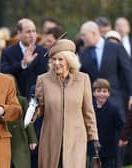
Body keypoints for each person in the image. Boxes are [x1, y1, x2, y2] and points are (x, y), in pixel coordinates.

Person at [34, 39, 99, 168]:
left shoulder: (83, 79)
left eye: (60, 59)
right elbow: (39, 110)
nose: (56, 63)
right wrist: (33, 109)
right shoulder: (43, 80)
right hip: (50, 140)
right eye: (54, 59)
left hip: (76, 140)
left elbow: (88, 112)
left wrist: (94, 138)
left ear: (69, 60)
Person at [79, 21, 132, 168]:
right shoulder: (83, 53)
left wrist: (131, 95)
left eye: (84, 35)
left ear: (94, 33)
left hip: (115, 101)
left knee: (118, 138)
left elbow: (128, 72)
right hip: (93, 105)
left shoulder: (116, 48)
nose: (82, 38)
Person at [0, 18, 48, 99]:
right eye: (28, 32)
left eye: (34, 31)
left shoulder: (43, 52)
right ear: (19, 33)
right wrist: (23, 64)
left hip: (39, 98)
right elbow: (4, 72)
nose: (32, 35)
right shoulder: (8, 52)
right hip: (16, 98)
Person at [88, 78, 124, 168]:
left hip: (109, 149)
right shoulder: (90, 108)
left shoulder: (113, 109)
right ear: (93, 93)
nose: (101, 94)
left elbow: (120, 125)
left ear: (109, 93)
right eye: (98, 91)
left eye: (104, 91)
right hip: (94, 148)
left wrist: (122, 138)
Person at [8, 95, 37, 168]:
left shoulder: (21, 100)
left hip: (19, 140)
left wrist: (32, 139)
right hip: (2, 142)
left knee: (20, 161)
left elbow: (28, 119)